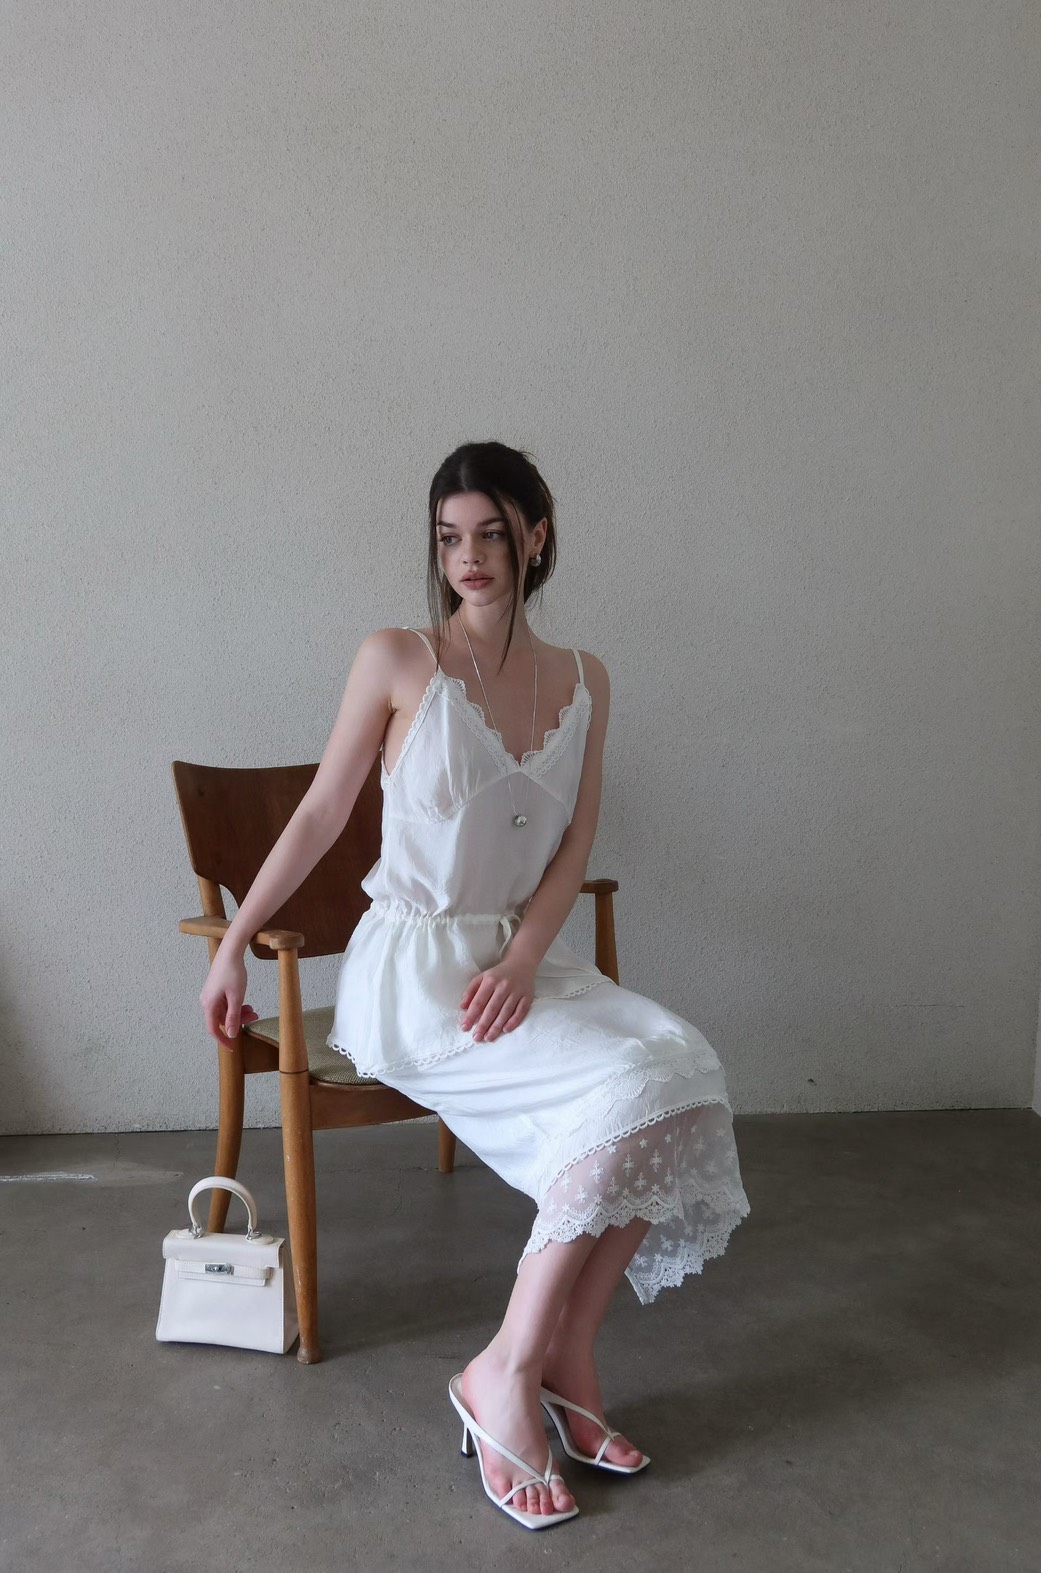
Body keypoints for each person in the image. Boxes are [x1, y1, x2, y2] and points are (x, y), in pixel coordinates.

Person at [201, 439, 750, 1531]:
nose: (468, 557)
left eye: (491, 534)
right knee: (624, 1096)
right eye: (449, 537)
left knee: (683, 1072)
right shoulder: (398, 659)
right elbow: (320, 812)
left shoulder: (586, 678)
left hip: (524, 958)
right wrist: (234, 940)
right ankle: (504, 1369)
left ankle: (564, 1355)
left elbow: (574, 842)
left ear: (535, 537)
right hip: (416, 976)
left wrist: (522, 957)